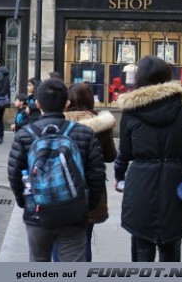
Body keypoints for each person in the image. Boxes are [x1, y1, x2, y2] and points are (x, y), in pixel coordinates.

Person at [7, 78, 106, 262]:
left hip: (37, 211)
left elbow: (14, 174)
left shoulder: (25, 135)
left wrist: (24, 203)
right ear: (66, 103)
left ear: (37, 103)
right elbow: (97, 173)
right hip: (73, 212)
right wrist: (87, 204)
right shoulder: (84, 133)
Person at [114, 55, 182, 262]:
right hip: (175, 183)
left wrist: (119, 176)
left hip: (140, 182)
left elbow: (124, 153)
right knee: (171, 244)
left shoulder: (131, 111)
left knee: (141, 241)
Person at [52, 82, 117, 262]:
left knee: (58, 240)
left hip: (59, 188)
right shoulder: (100, 123)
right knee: (85, 240)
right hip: (89, 189)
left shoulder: (57, 121)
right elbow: (110, 156)